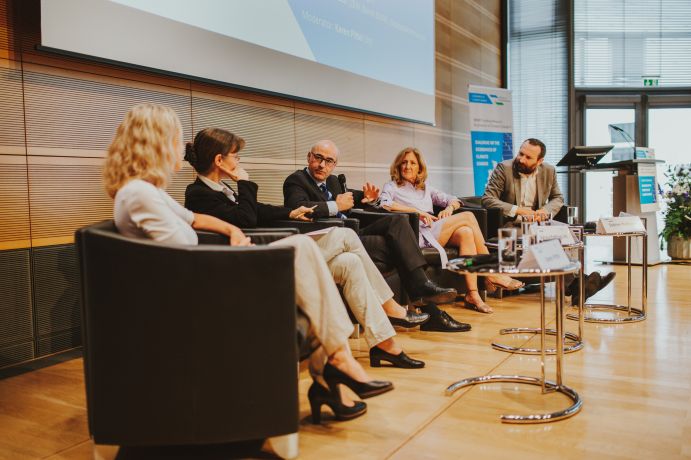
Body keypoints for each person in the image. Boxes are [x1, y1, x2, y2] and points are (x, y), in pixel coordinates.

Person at [103, 103, 392, 424]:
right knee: (306, 248)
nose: (181, 150)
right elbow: (182, 258)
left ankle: (334, 370)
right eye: (176, 140)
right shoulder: (140, 194)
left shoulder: (146, 192)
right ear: (158, 144)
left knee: (326, 257)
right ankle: (342, 361)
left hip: (207, 273)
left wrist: (229, 229)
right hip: (203, 287)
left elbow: (194, 219)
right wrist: (243, 250)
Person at [184, 128, 427, 369]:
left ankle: (385, 345)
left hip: (264, 254)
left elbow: (258, 210)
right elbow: (246, 218)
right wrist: (244, 182)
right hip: (252, 267)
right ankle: (391, 307)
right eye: (235, 156)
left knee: (350, 263)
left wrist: (291, 211)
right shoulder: (199, 194)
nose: (238, 161)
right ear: (219, 160)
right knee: (346, 236)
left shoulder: (220, 190)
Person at [284, 140, 470, 332]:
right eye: (318, 158)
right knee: (399, 246)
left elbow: (355, 198)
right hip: (333, 240)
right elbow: (299, 208)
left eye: (329, 161)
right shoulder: (296, 181)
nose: (322, 165)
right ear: (309, 157)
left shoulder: (332, 181)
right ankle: (427, 302)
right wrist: (335, 206)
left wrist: (368, 200)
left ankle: (422, 292)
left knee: (398, 222)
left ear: (334, 164)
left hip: (353, 232)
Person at [379, 147, 524, 314]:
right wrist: (417, 212)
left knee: (466, 234)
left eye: (413, 163)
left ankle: (473, 295)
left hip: (433, 230)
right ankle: (491, 272)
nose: (408, 166)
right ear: (398, 166)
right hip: (415, 235)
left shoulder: (426, 188)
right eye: (404, 162)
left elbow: (454, 200)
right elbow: (385, 203)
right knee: (468, 216)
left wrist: (449, 208)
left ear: (420, 167)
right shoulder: (392, 186)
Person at [481, 138, 615, 304]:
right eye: (520, 153)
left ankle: (576, 285)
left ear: (539, 161)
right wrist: (518, 210)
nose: (521, 159)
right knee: (547, 238)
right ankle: (577, 285)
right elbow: (487, 199)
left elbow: (557, 198)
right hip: (511, 224)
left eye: (528, 157)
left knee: (564, 233)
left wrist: (545, 210)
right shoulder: (504, 168)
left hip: (536, 223)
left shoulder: (548, 171)